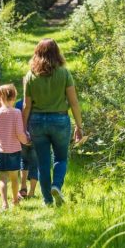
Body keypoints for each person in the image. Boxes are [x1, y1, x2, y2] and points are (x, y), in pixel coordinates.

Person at [22, 38, 84, 206]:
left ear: (37, 53)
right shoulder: (64, 73)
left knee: (43, 163)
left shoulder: (30, 76)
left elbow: (27, 106)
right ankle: (56, 185)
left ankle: (47, 200)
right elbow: (74, 102)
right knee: (61, 158)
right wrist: (79, 126)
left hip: (36, 122)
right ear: (57, 53)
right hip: (60, 120)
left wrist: (23, 128)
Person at [0, 84, 30, 212]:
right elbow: (19, 132)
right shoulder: (16, 112)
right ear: (15, 96)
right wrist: (25, 141)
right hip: (14, 151)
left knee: (3, 178)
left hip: (0, 150)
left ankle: (4, 204)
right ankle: (15, 201)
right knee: (14, 179)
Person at [15, 98, 38, 199]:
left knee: (23, 160)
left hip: (23, 137)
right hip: (37, 137)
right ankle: (32, 192)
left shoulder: (19, 104)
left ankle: (23, 187)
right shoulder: (40, 103)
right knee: (35, 163)